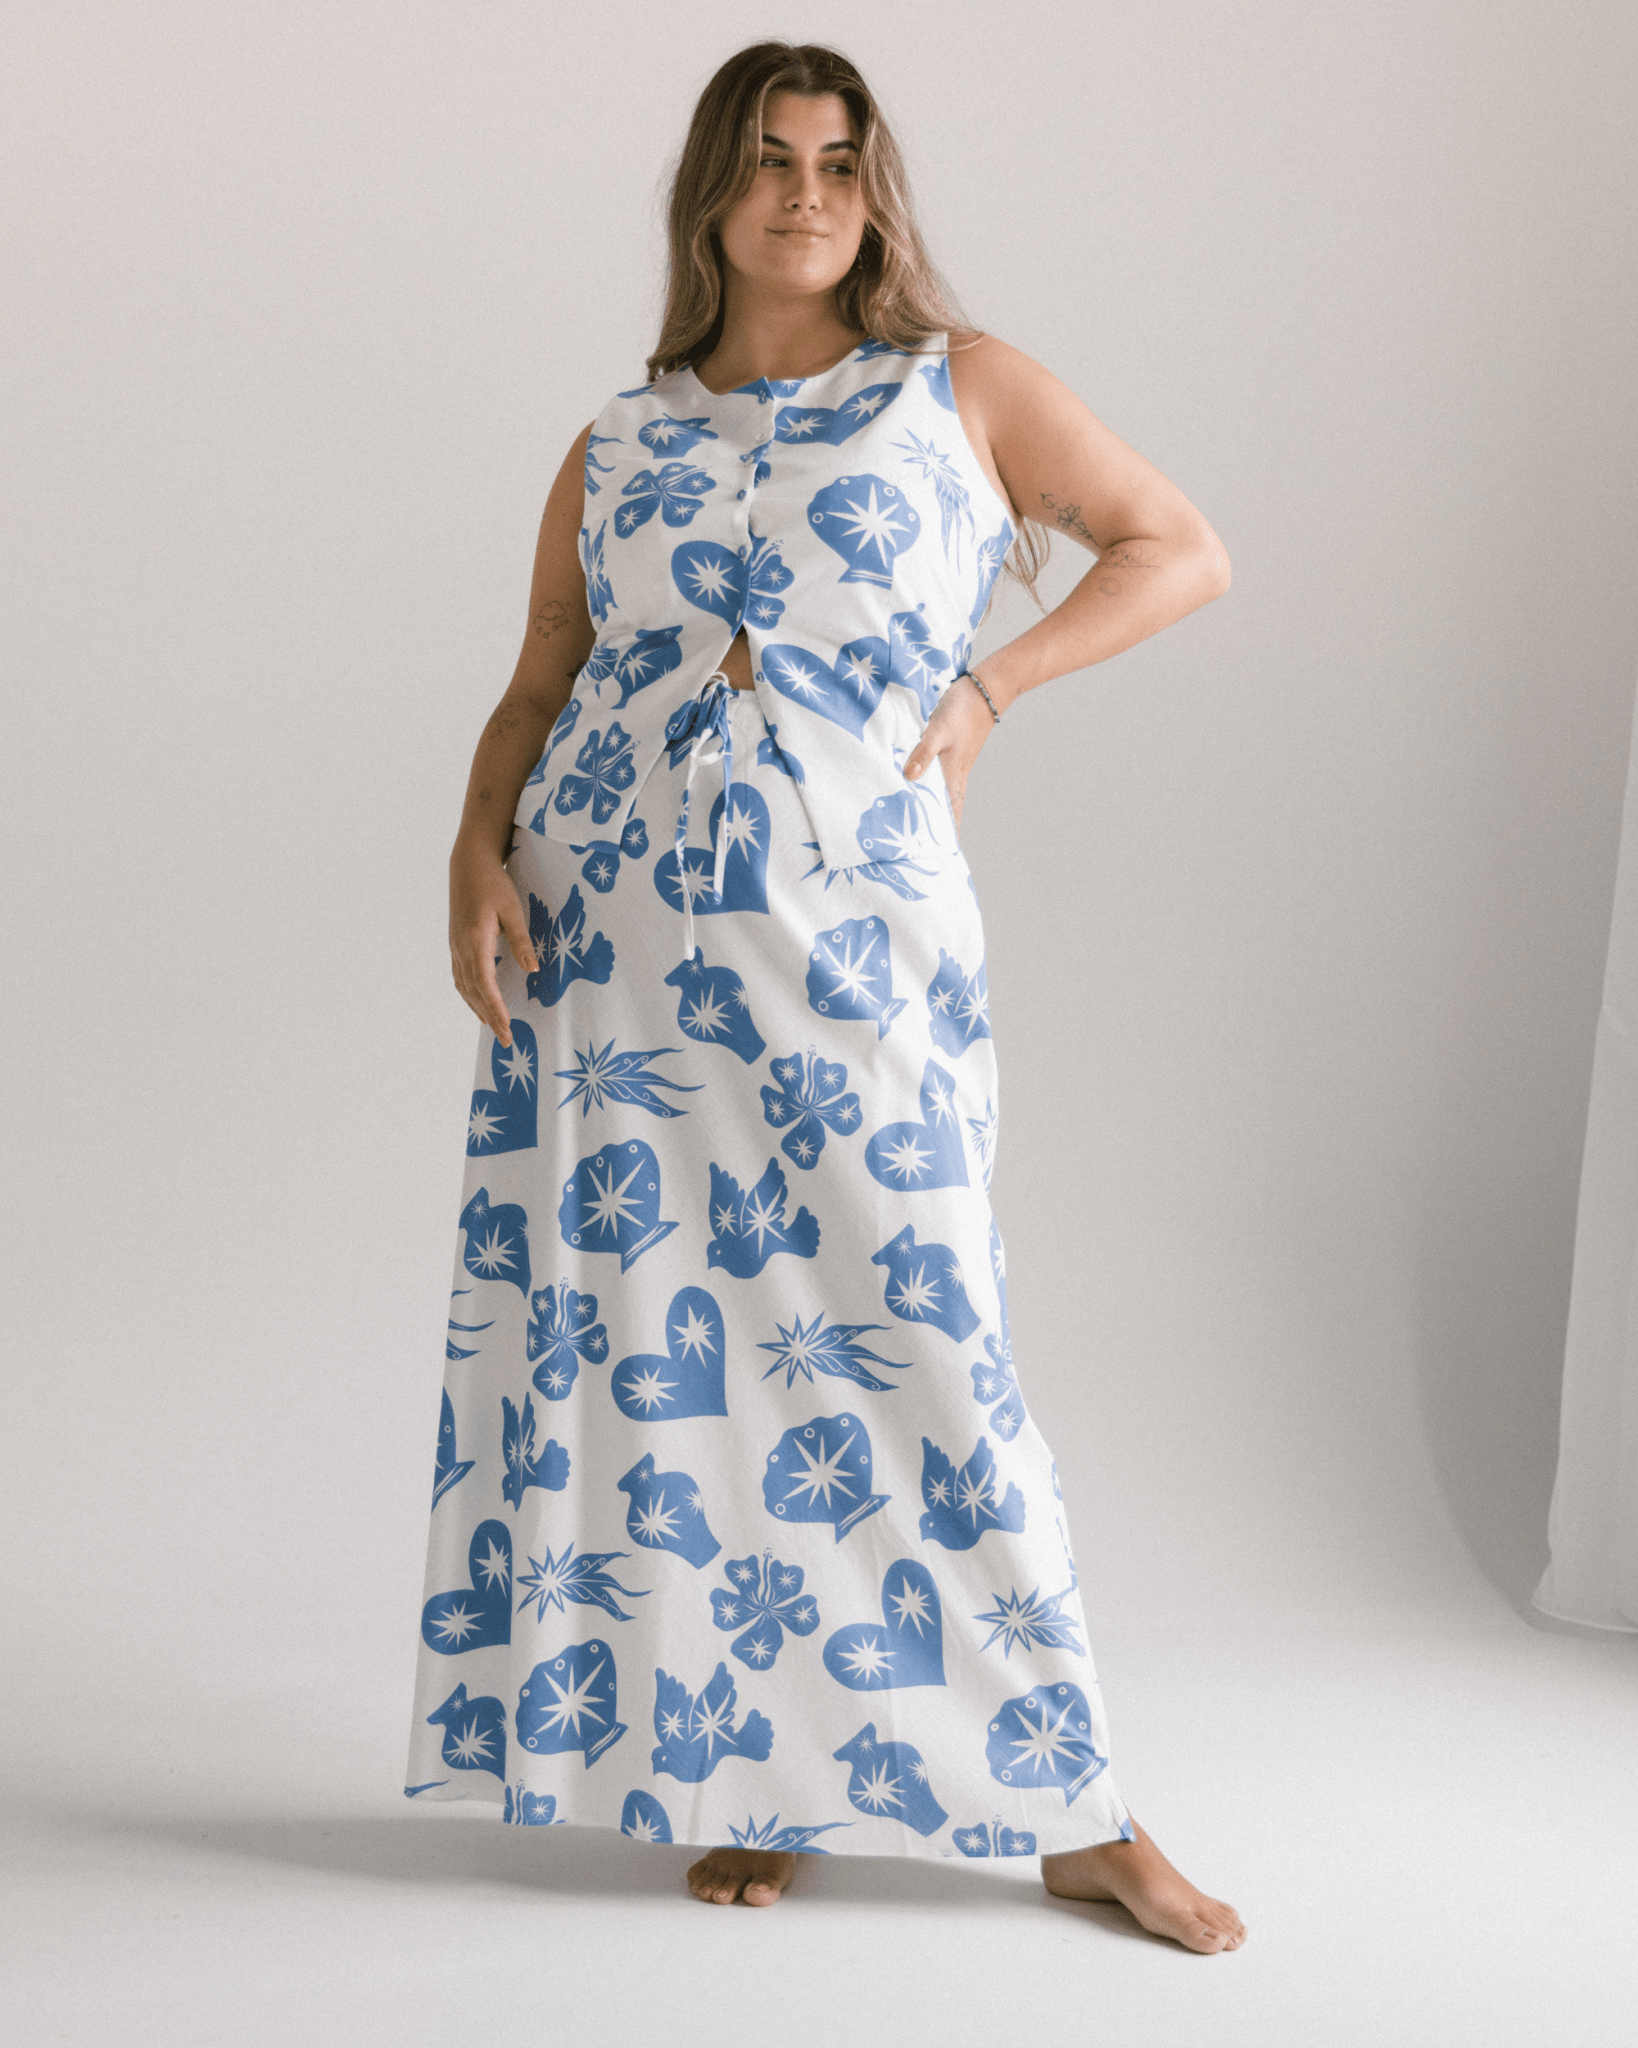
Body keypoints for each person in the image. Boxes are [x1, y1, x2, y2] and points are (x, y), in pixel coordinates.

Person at [410, 39, 1243, 1956]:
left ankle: (1078, 1806)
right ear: (710, 191)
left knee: (917, 1328)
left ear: (874, 197)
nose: (805, 194)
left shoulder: (958, 387)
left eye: (841, 164)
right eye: (772, 159)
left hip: (848, 925)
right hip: (610, 943)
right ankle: (757, 1771)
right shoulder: (620, 439)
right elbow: (541, 676)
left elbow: (1178, 550)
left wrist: (990, 686)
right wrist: (473, 844)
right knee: (677, 1353)